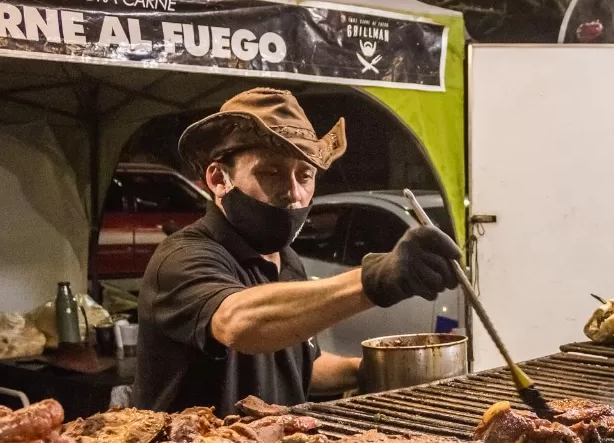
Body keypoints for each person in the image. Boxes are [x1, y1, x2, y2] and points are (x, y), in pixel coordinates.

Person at [134, 88, 460, 415]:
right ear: (219, 178)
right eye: (270, 172)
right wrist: (372, 280)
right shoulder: (182, 256)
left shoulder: (287, 260)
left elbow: (299, 365)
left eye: (305, 175)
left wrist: (370, 370)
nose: (293, 193)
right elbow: (238, 324)